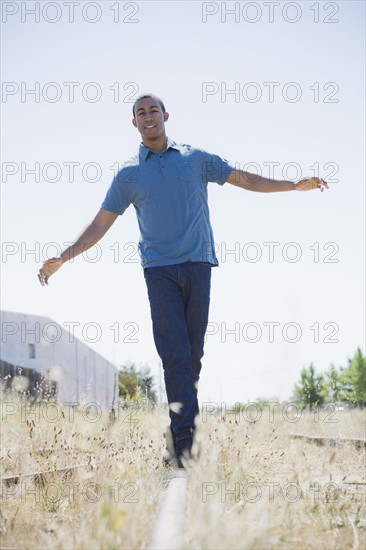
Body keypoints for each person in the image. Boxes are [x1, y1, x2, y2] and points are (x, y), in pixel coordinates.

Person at [38, 93, 329, 467]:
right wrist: (63, 257)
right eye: (140, 113)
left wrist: (292, 184)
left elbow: (245, 179)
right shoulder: (129, 175)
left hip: (198, 266)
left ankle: (180, 433)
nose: (147, 117)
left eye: (153, 110)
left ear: (165, 116)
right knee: (175, 356)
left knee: (192, 358)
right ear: (134, 123)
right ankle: (184, 445)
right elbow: (100, 224)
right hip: (159, 272)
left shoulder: (195, 159)